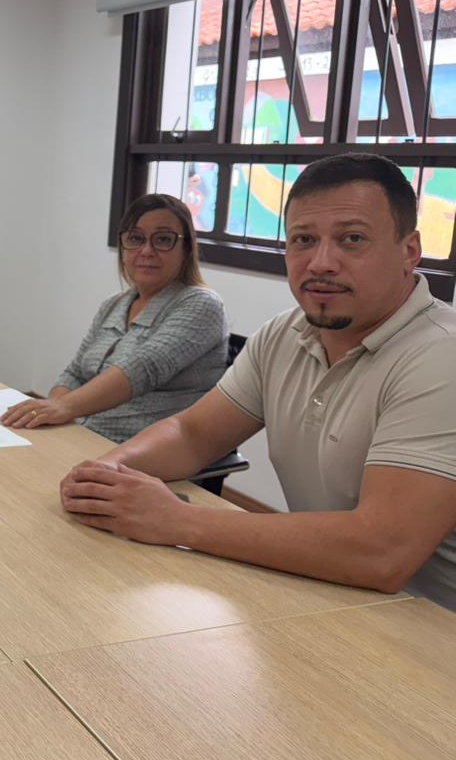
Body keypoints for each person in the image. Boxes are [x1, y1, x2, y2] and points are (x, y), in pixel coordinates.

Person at [58, 153, 456, 609]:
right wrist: (108, 473)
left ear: (409, 251)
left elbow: (383, 551)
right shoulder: (285, 334)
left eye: (352, 239)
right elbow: (192, 434)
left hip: (429, 633)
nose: (322, 262)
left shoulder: (441, 353)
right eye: (303, 239)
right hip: (326, 593)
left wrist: (178, 520)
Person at [2, 193, 227, 441]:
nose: (147, 250)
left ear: (186, 249)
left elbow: (142, 369)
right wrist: (47, 413)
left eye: (163, 240)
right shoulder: (114, 304)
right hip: (82, 434)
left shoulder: (202, 304)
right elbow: (74, 373)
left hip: (140, 450)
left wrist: (64, 408)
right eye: (135, 238)